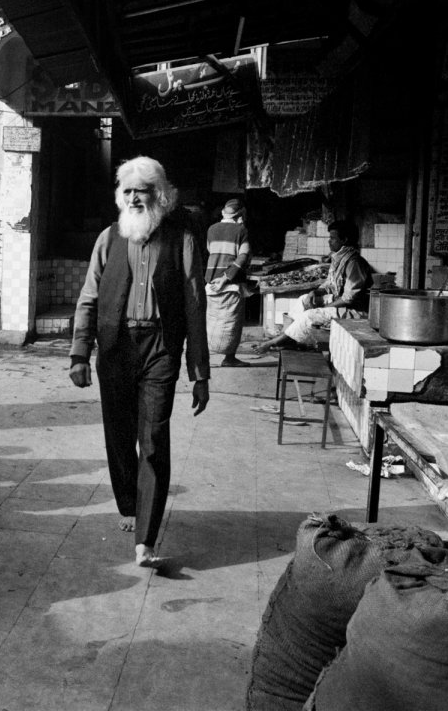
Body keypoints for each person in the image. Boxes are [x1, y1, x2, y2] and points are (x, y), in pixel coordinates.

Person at [68, 156, 210, 568]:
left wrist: (199, 373)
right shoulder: (108, 239)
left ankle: (145, 539)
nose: (133, 198)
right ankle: (130, 503)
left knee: (153, 438)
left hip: (160, 348)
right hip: (116, 346)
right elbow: (89, 297)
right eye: (127, 191)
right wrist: (79, 353)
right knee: (119, 435)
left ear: (159, 196)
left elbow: (195, 306)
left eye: (141, 191)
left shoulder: (181, 240)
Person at [252, 220, 373, 354]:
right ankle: (287, 339)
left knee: (309, 315)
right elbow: (329, 284)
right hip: (341, 305)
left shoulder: (354, 262)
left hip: (355, 312)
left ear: (344, 240)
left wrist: (326, 307)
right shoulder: (340, 258)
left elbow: (349, 298)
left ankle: (273, 342)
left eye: (332, 238)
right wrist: (315, 292)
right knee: (303, 300)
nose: (329, 241)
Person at [205, 199, 253, 367]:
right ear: (240, 215)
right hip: (231, 283)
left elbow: (210, 250)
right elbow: (243, 255)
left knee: (212, 321)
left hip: (211, 282)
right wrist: (226, 277)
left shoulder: (211, 229)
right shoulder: (241, 230)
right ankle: (229, 359)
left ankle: (207, 359)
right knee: (232, 323)